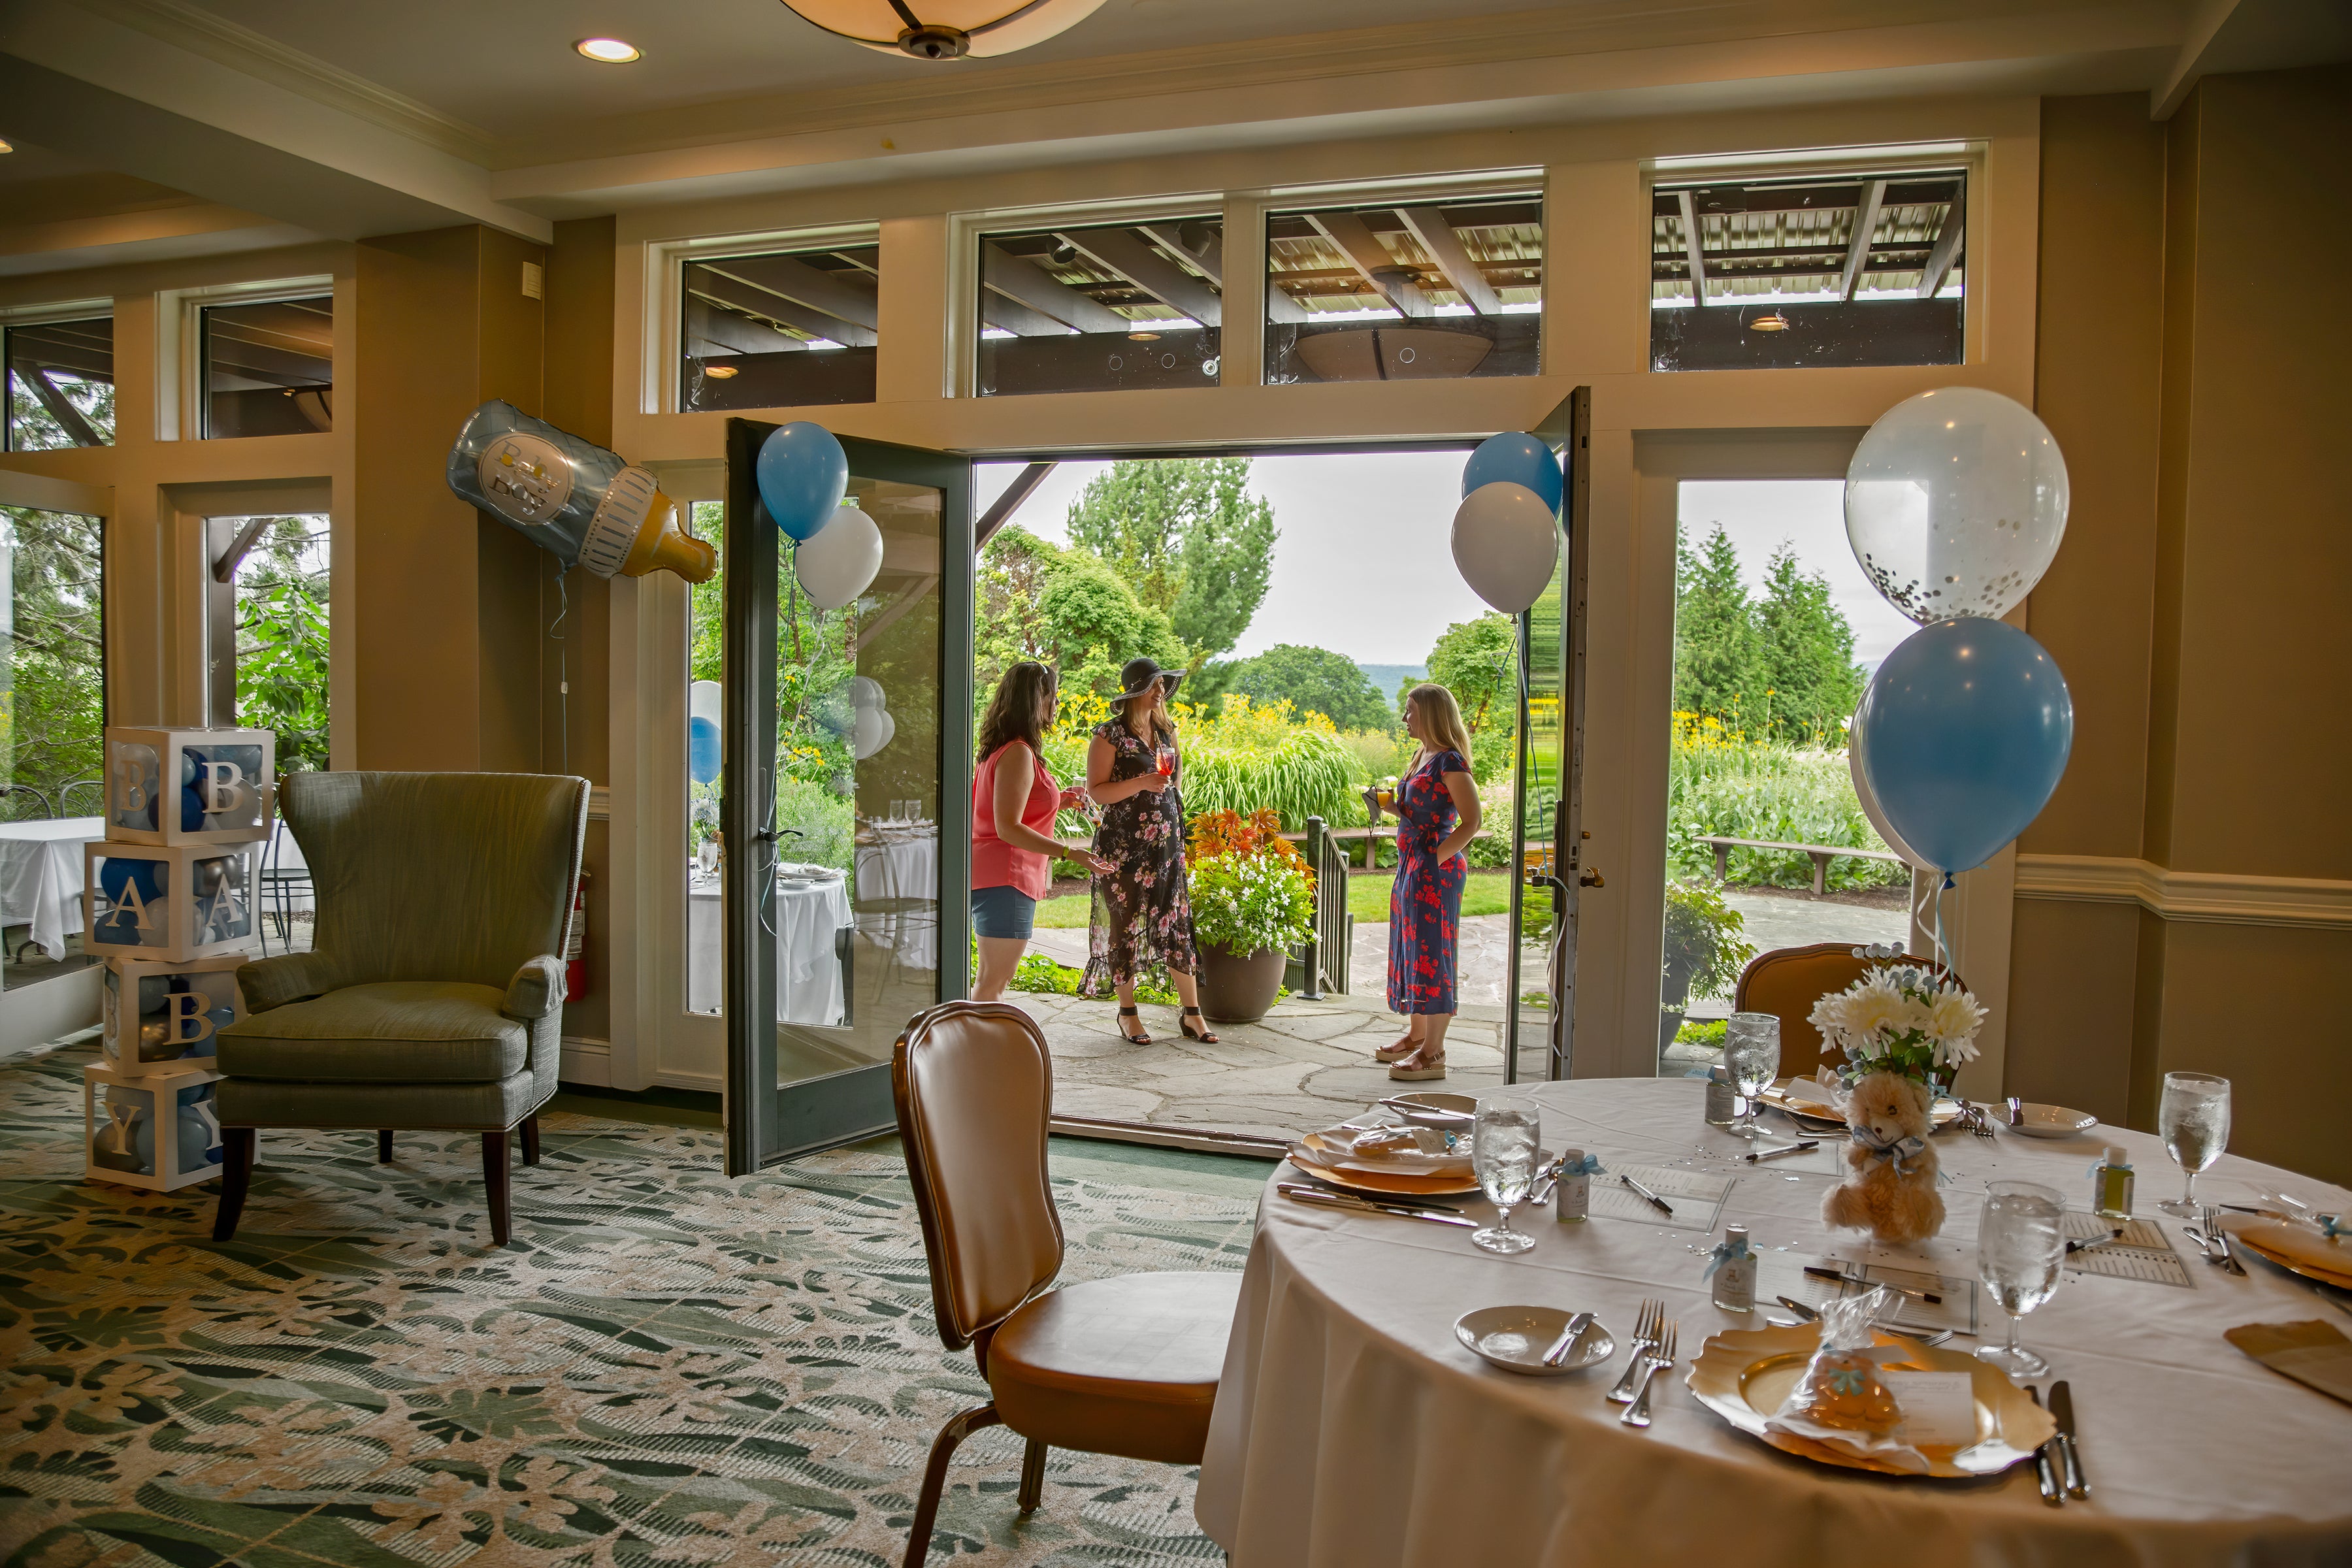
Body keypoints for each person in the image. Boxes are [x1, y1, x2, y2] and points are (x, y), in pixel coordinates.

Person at [1083, 657, 1218, 1045]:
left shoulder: (1166, 731)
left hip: (1167, 844)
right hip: (1123, 846)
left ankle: (1192, 1013)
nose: (1162, 691)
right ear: (1137, 692)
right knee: (1124, 924)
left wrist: (1162, 785)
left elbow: (1174, 779)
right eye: (1155, 685)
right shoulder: (1108, 736)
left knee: (1174, 920)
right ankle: (1128, 1014)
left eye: (1163, 684)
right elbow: (1098, 790)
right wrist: (1142, 782)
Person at [970, 661, 1109, 1002]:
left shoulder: (1004, 749)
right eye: (1054, 697)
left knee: (988, 982)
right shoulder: (1018, 752)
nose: (1057, 705)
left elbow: (1007, 807)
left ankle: (974, 1051)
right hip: (1008, 877)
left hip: (996, 876)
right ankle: (978, 1054)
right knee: (993, 986)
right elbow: (1008, 827)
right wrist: (1069, 852)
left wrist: (1058, 801)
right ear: (1037, 701)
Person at [1379, 683, 1482, 1081]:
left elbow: (1472, 822)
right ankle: (1417, 1034)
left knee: (1433, 953)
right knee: (1413, 948)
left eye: (1410, 711)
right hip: (1412, 866)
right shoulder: (1423, 755)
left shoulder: (1451, 762)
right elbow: (1416, 810)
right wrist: (1389, 805)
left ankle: (1434, 1053)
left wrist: (1434, 859)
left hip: (1434, 874)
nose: (1405, 718)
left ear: (1431, 714)